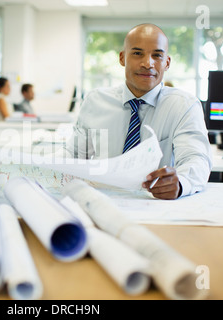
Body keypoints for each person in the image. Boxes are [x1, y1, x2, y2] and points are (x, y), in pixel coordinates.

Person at [64, 23, 212, 200]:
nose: (147, 63)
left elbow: (196, 159)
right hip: (102, 201)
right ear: (122, 58)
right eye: (137, 53)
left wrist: (181, 182)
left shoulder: (184, 105)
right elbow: (73, 157)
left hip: (156, 204)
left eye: (157, 55)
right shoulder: (95, 101)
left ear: (167, 63)